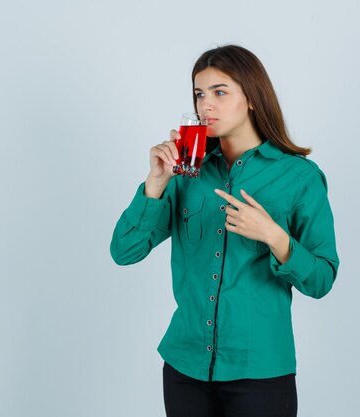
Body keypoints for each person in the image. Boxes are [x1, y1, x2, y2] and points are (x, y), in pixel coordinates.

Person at [110, 44, 339, 417]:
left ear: (251, 98)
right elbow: (124, 251)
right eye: (200, 94)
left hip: (260, 371)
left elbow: (322, 279)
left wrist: (275, 237)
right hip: (185, 368)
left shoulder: (299, 178)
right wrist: (155, 182)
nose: (206, 106)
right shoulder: (187, 174)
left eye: (220, 92)